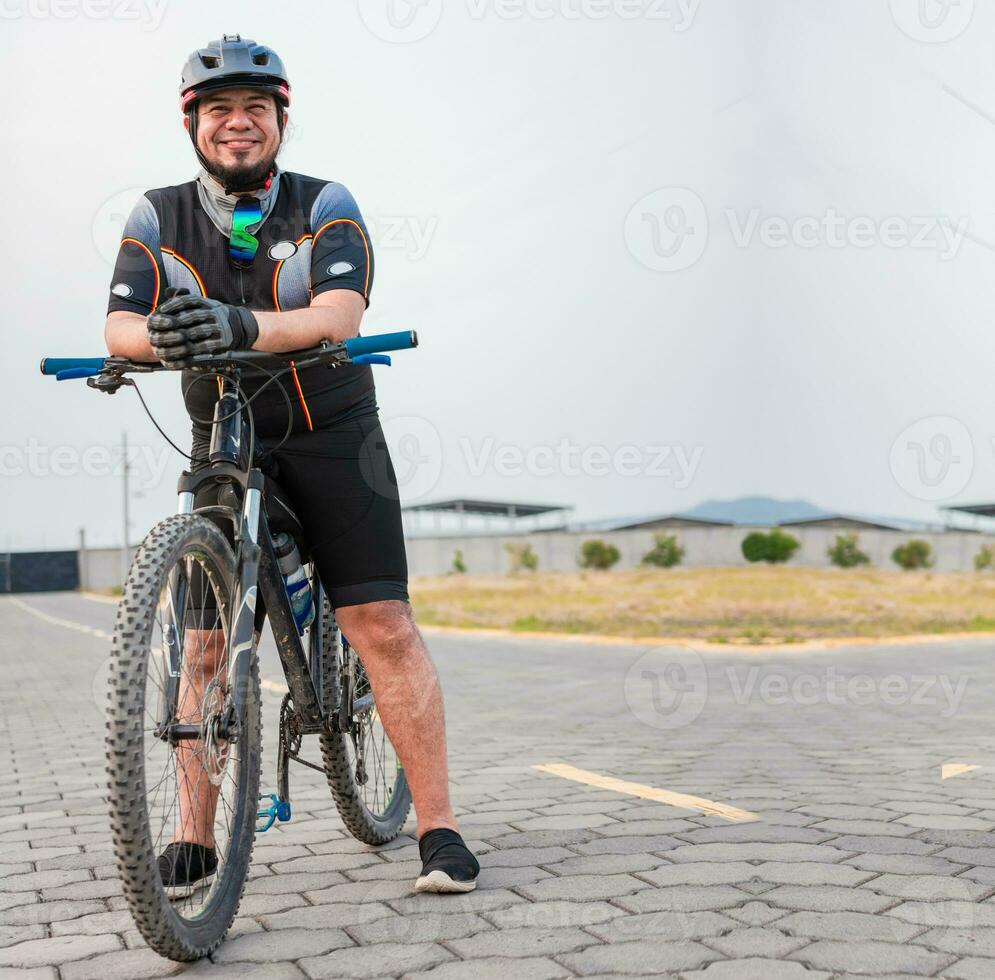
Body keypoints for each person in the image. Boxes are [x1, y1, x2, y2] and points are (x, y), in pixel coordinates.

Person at [103, 35, 479, 895]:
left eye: (257, 111)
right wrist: (157, 337)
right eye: (220, 111)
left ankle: (439, 828)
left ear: (279, 120)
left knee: (380, 625)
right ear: (193, 122)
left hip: (332, 432)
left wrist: (238, 329)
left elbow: (339, 313)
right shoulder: (157, 216)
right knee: (200, 650)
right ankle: (195, 837)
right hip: (222, 440)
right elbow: (119, 328)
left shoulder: (323, 202)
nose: (239, 126)